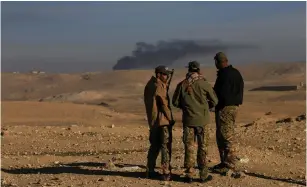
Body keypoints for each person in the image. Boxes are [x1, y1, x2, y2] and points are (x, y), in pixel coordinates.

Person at [172, 61, 218, 183]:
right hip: (202, 120)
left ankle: (189, 175)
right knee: (203, 147)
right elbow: (215, 100)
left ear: (188, 70)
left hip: (188, 120)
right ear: (198, 70)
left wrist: (186, 107)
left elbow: (175, 102)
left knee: (189, 147)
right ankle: (203, 175)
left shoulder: (182, 85)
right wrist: (205, 106)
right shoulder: (204, 84)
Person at [212, 52, 244, 177]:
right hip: (233, 107)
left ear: (218, 62)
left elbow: (219, 93)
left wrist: (216, 103)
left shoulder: (224, 75)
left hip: (225, 108)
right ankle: (224, 163)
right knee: (222, 135)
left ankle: (230, 165)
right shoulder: (236, 73)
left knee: (226, 136)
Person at [143, 65, 175, 181]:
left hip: (154, 122)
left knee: (154, 147)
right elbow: (163, 104)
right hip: (162, 121)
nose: (167, 76)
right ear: (158, 74)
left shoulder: (150, 84)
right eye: (165, 74)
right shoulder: (159, 85)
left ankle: (150, 170)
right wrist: (170, 118)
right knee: (165, 146)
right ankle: (166, 172)